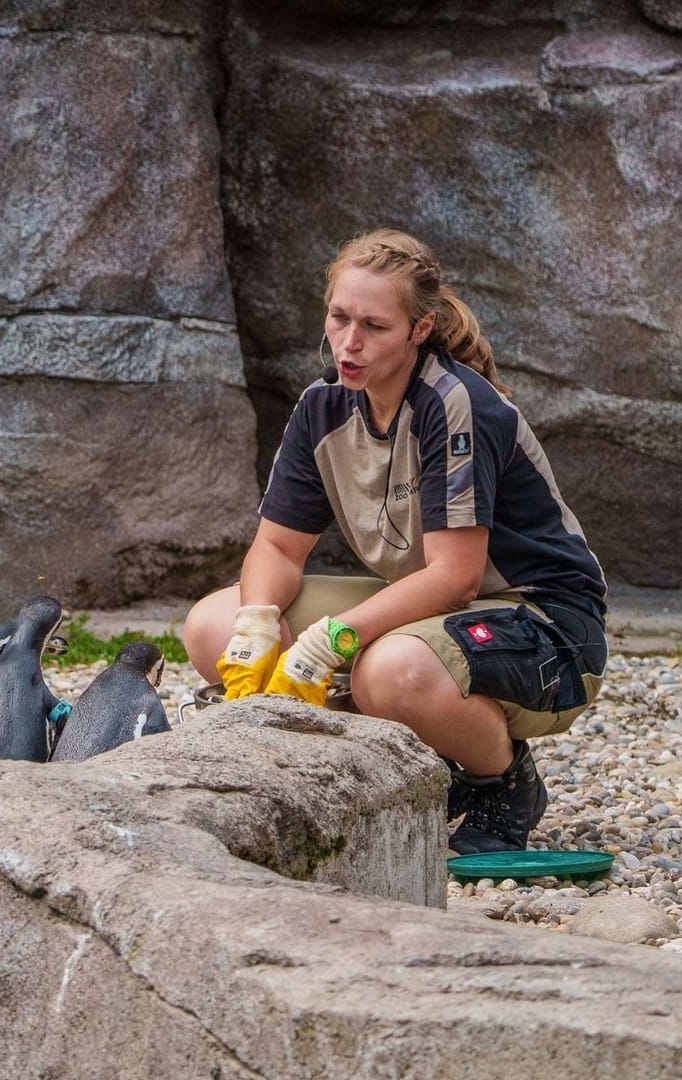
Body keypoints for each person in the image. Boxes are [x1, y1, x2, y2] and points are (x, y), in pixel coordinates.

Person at [181, 228, 607, 854]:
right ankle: (404, 765)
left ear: (419, 328)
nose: (349, 343)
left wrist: (333, 639)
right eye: (338, 318)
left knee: (391, 671)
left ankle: (501, 780)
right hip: (438, 616)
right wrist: (256, 624)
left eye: (375, 326)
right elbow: (275, 550)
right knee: (213, 625)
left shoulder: (454, 403)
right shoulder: (322, 407)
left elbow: (456, 577)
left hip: (545, 624)